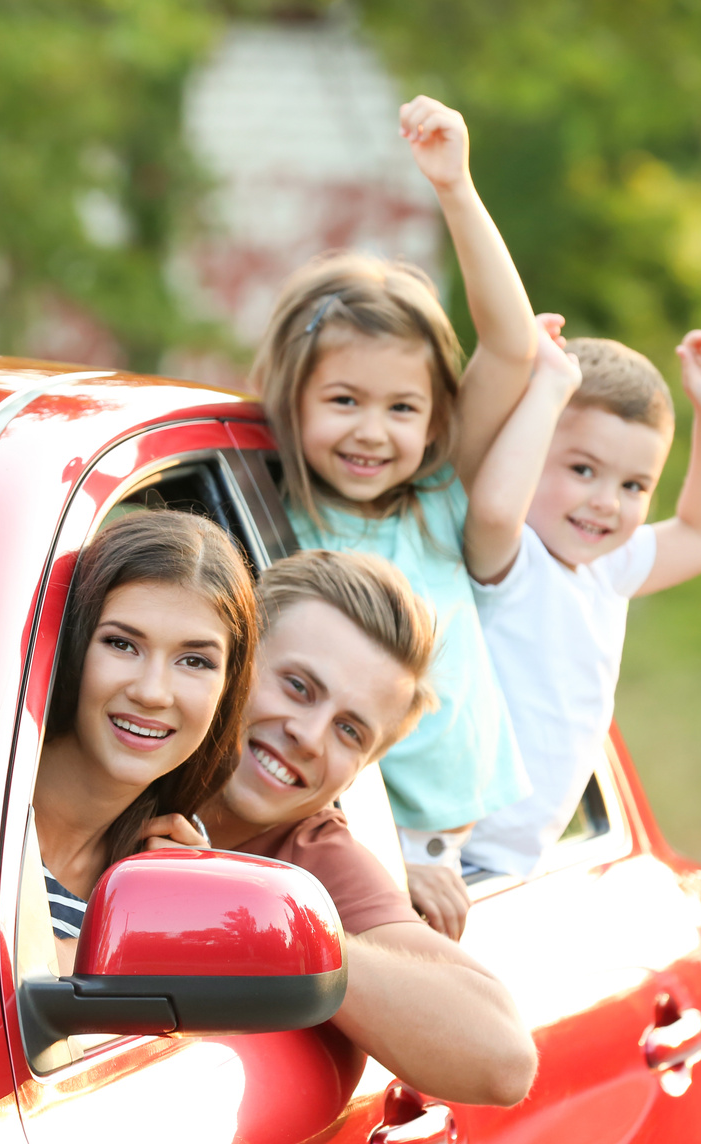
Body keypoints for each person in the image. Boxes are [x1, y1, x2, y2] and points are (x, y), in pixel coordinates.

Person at [248, 94, 539, 926]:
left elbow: (513, 345)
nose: (372, 433)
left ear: (436, 418)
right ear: (292, 397)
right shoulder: (279, 523)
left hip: (475, 844)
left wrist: (455, 185)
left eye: (402, 409)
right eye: (344, 399)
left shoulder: (439, 497)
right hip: (377, 841)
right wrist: (386, 864)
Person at [195, 550, 538, 1107]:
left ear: (361, 769)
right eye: (298, 687)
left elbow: (504, 1061)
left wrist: (272, 929)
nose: (308, 735)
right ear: (234, 654)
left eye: (349, 731)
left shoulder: (311, 852)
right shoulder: (123, 743)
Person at [461, 324, 701, 878]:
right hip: (454, 855)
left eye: (634, 486)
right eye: (583, 469)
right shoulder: (510, 558)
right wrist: (540, 385)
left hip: (515, 863)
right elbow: (495, 508)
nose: (606, 503)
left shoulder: (605, 570)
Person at [32, 509, 258, 973]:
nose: (152, 692)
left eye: (195, 661)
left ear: (228, 687)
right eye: (121, 644)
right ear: (72, 644)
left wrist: (183, 921)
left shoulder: (179, 863)